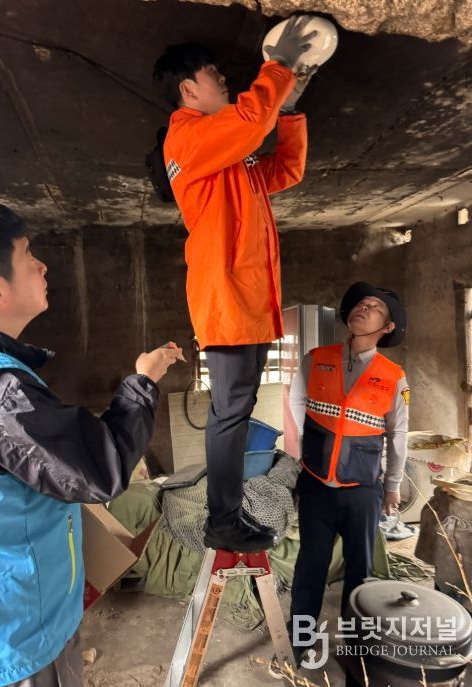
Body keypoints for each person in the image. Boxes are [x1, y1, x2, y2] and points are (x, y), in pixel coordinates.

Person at [0, 200, 183, 687]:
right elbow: (101, 468)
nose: (42, 266)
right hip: (16, 636)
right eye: (27, 255)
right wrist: (143, 381)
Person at [153, 17, 316, 552]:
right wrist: (280, 67)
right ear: (188, 90)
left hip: (244, 297)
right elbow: (248, 122)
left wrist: (288, 114)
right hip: (226, 297)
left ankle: (227, 512)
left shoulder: (225, 157)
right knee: (231, 411)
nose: (223, 79)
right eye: (213, 73)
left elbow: (284, 171)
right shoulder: (186, 137)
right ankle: (223, 519)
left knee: (236, 409)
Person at [288, 281, 409, 660]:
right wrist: (309, 446)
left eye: (375, 307)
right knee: (310, 566)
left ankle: (358, 649)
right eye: (361, 303)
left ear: (387, 327)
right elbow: (296, 400)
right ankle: (299, 644)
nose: (364, 308)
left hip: (362, 490)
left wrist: (392, 485)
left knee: (361, 571)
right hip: (316, 485)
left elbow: (398, 434)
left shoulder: (394, 376)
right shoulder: (316, 358)